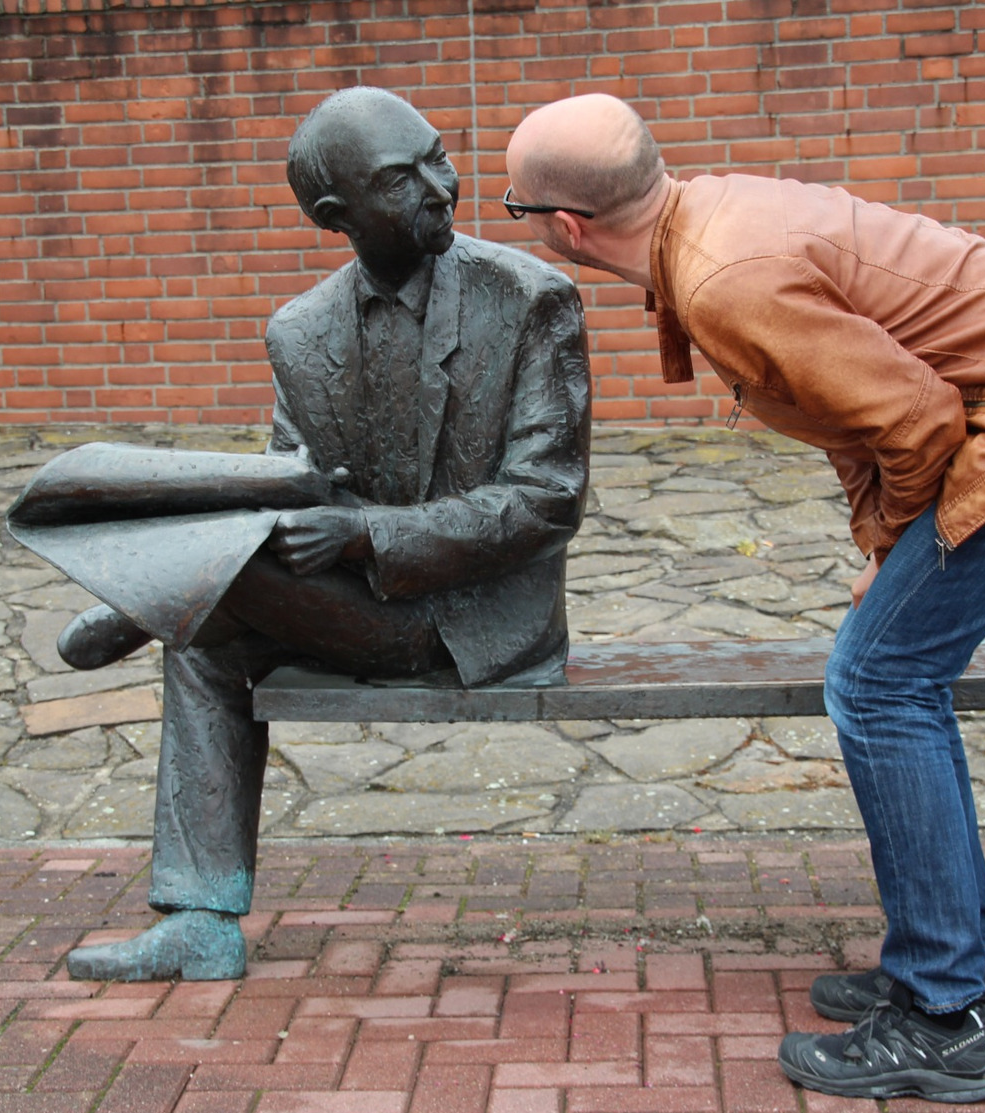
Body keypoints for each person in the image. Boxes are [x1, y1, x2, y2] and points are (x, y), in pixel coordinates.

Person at [504, 94, 985, 1104]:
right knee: (893, 669)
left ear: (566, 227)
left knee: (879, 681)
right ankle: (958, 964)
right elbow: (856, 413)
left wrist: (896, 539)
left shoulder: (728, 280)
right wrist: (883, 543)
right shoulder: (708, 215)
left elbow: (915, 422)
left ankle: (942, 1022)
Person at [46, 87, 591, 982]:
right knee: (205, 624)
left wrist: (363, 533)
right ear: (336, 216)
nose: (441, 185)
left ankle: (136, 601)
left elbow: (546, 499)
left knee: (194, 602)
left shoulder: (531, 299)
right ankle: (199, 920)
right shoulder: (300, 334)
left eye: (439, 154)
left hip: (475, 619)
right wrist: (305, 517)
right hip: (358, 605)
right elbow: (285, 486)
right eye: (401, 177)